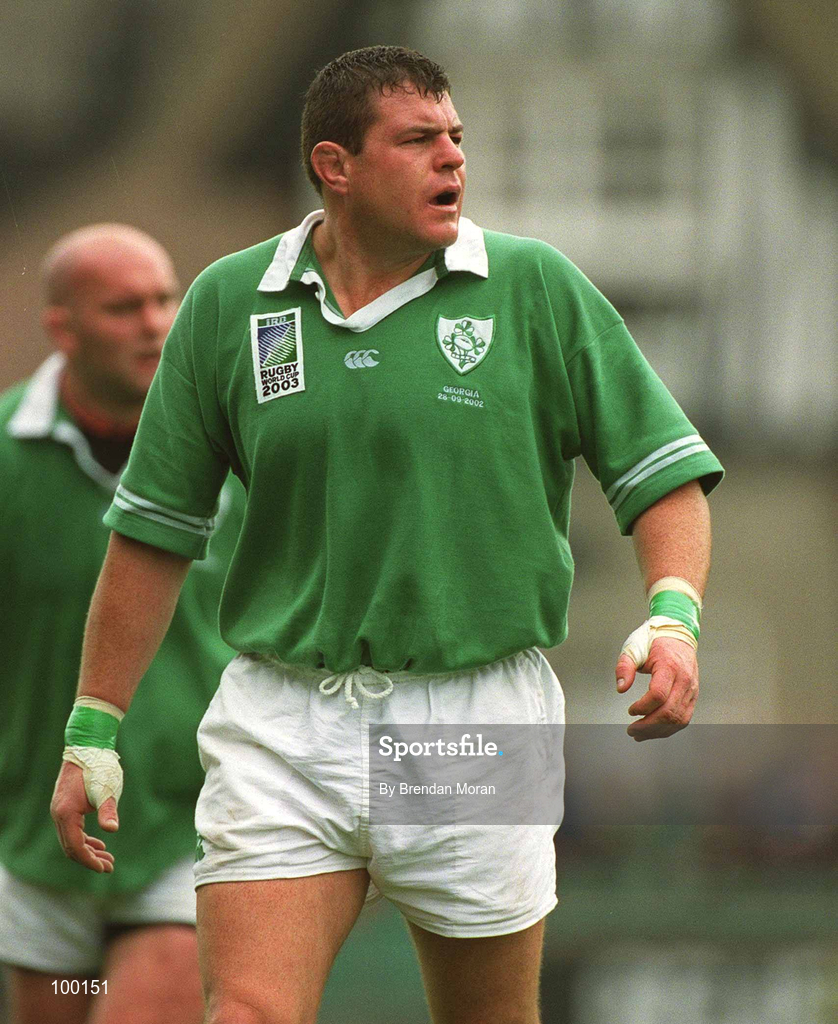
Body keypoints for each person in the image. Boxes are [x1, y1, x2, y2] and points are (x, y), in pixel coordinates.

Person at [50, 48, 724, 1024]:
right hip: (282, 714)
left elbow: (663, 480)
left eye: (456, 139)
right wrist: (92, 728)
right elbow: (153, 534)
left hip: (475, 719)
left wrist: (673, 618)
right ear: (336, 164)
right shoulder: (226, 305)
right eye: (418, 141)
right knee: (243, 1012)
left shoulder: (533, 287)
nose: (452, 160)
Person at [0, 224, 243, 1024]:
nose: (155, 323)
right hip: (31, 832)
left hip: (192, 826)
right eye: (124, 307)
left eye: (165, 298)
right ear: (61, 327)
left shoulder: (238, 451)